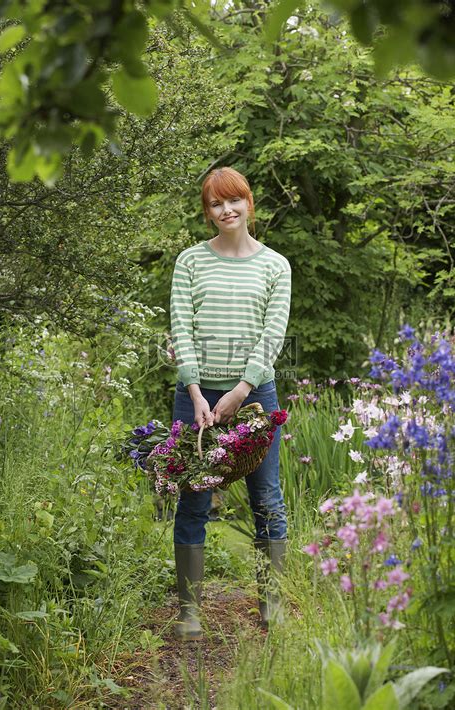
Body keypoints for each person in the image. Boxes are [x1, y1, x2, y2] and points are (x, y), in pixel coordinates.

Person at [170, 166, 291, 640]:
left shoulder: (275, 266)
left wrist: (242, 391)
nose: (226, 211)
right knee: (194, 499)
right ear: (208, 212)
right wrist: (198, 392)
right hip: (195, 396)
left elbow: (272, 333)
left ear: (248, 203)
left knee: (267, 498)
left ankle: (272, 607)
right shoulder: (190, 262)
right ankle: (190, 615)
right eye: (216, 204)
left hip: (255, 394)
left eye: (233, 201)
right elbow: (182, 328)